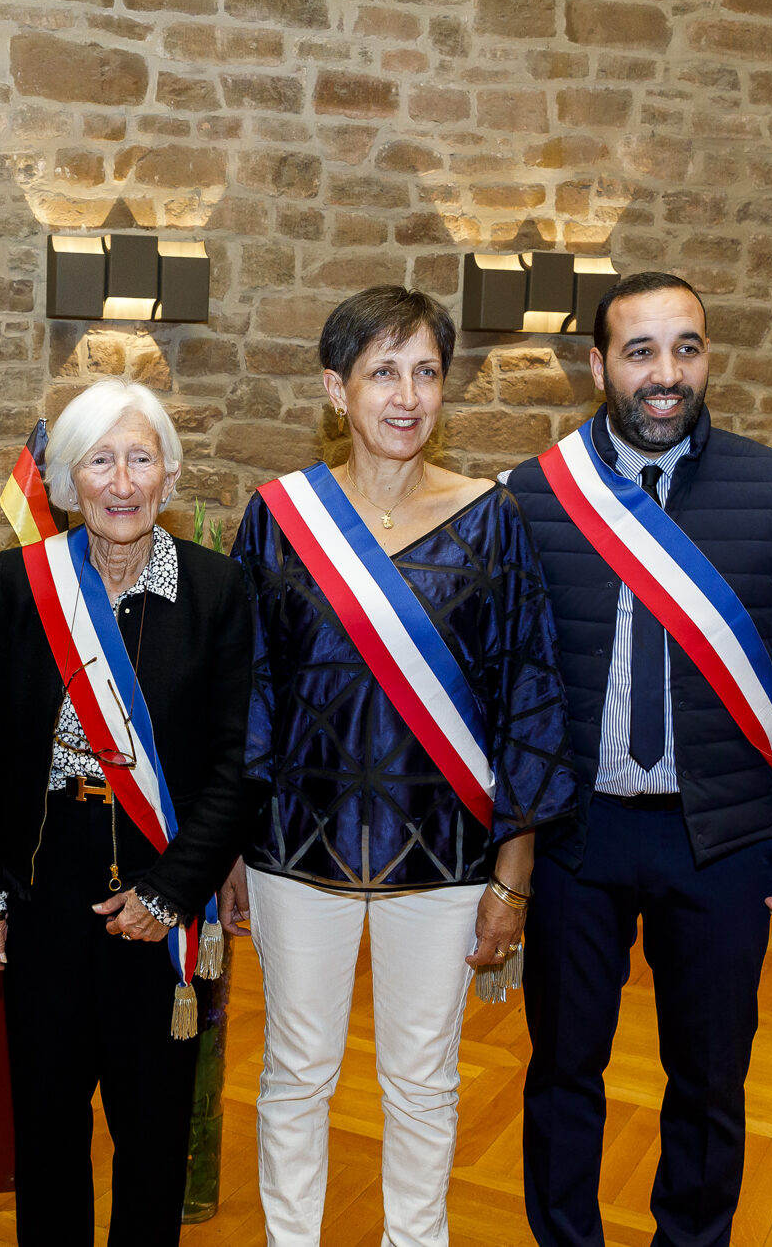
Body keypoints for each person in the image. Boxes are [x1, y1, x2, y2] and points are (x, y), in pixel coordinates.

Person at [506, 272, 772, 1247]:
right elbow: (501, 684)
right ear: (597, 364)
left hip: (726, 833)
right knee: (563, 1068)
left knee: (710, 1078)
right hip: (579, 834)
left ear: (708, 357)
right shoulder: (530, 497)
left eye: (687, 348)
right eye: (642, 351)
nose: (667, 375)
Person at [224, 286, 577, 1247]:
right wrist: (231, 852)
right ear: (336, 389)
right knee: (297, 1072)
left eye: (425, 371)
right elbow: (248, 693)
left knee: (423, 1079)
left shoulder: (491, 518)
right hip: (299, 852)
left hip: (450, 854)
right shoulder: (279, 516)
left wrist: (515, 873)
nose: (407, 396)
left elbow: (528, 693)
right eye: (383, 372)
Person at [0, 378, 250, 1245]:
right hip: (46, 876)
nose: (121, 483)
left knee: (151, 1127)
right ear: (65, 479)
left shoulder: (216, 589)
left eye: (140, 458)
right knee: (47, 1121)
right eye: (99, 461)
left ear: (168, 473)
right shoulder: (24, 580)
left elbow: (238, 767)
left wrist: (170, 893)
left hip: (162, 875)